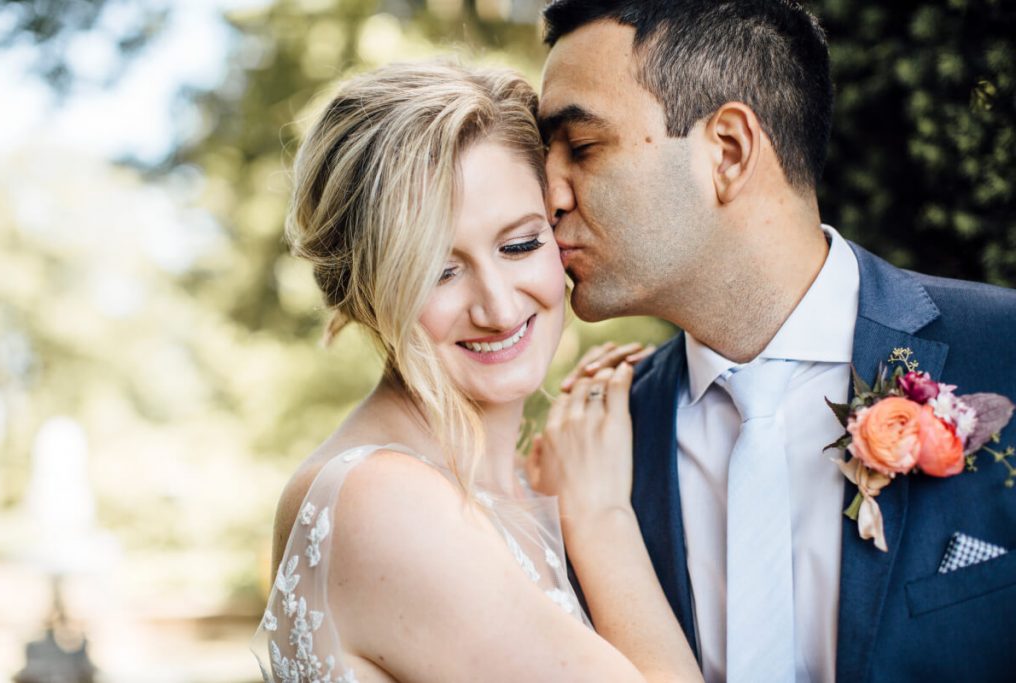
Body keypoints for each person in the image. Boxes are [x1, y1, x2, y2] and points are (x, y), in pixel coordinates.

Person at [537, 1, 1016, 682]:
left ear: (728, 150)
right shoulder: (596, 455)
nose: (547, 195)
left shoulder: (1003, 351)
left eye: (581, 148)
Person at [250, 61, 702, 682]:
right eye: (439, 270)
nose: (499, 307)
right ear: (367, 289)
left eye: (519, 245)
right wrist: (599, 518)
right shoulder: (380, 503)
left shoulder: (517, 480)